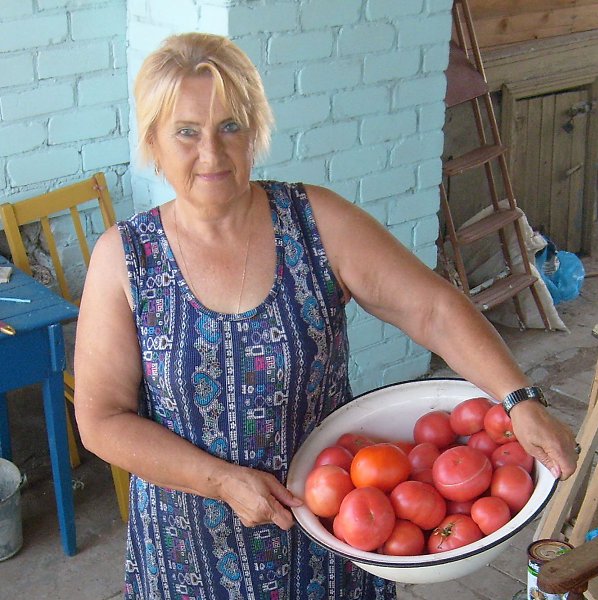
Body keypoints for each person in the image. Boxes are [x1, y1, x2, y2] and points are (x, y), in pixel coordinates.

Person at [74, 32, 578, 600]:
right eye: (186, 132)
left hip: (334, 534)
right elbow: (102, 420)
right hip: (190, 553)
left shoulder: (313, 222)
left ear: (255, 130)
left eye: (230, 127)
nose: (211, 153)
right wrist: (218, 480)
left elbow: (432, 307)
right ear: (154, 141)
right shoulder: (124, 258)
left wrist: (520, 398)